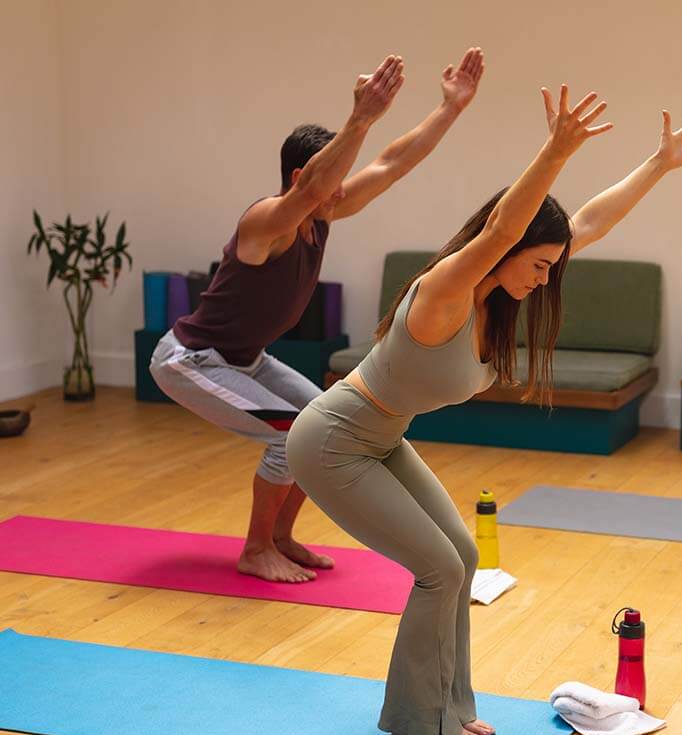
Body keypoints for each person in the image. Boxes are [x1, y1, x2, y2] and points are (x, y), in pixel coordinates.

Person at [286, 85, 682, 735]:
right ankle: (419, 720)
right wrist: (555, 150)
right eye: (539, 264)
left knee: (460, 556)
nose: (545, 279)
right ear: (510, 250)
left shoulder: (499, 298)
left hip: (381, 438)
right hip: (334, 440)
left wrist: (660, 163)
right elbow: (500, 229)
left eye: (552, 266)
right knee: (438, 567)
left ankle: (448, 709)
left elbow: (594, 220)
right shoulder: (447, 290)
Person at [150, 49, 485, 583]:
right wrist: (362, 118)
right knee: (287, 435)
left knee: (326, 425)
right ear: (304, 175)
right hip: (191, 360)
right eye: (333, 176)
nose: (342, 190)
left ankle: (281, 537)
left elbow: (393, 163)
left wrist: (450, 108)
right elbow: (310, 192)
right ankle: (256, 548)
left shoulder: (324, 211)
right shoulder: (267, 221)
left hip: (246, 361)